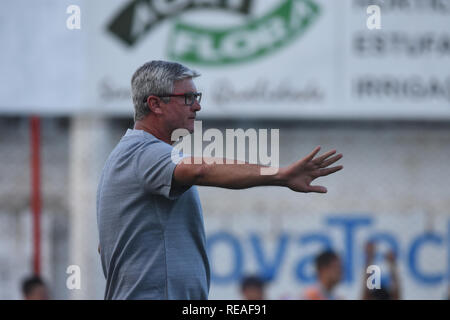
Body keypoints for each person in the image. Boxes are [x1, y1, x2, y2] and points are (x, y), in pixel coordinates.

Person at [96, 60, 344, 300]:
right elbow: (202, 169)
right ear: (155, 104)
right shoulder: (143, 152)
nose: (197, 106)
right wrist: (280, 174)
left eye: (197, 98)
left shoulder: (135, 155)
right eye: (188, 98)